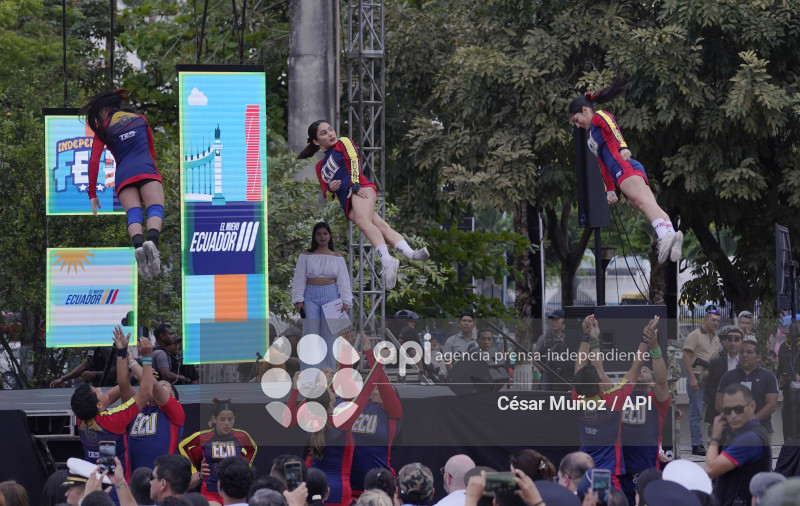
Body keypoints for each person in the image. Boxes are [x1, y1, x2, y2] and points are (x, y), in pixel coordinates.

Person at [297, 121, 429, 290]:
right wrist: (331, 189)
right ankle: (412, 254)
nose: (330, 134)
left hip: (360, 189)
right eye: (324, 133)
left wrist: (355, 184)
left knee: (364, 222)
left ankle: (387, 261)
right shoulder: (319, 167)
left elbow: (354, 159)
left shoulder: (343, 142)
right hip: (347, 202)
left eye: (330, 129)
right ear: (316, 141)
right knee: (380, 226)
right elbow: (328, 196)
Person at [567, 77, 682, 264]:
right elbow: (602, 163)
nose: (577, 125)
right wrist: (610, 189)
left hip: (624, 165)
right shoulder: (591, 136)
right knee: (644, 204)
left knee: (643, 202)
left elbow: (613, 128)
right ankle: (671, 233)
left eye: (576, 120)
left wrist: (622, 147)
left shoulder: (599, 117)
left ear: (585, 110)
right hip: (619, 170)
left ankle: (664, 235)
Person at [81, 90, 165, 281]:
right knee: (154, 208)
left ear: (104, 110)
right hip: (145, 168)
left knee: (134, 214)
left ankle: (138, 247)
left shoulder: (104, 129)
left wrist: (92, 193)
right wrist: (153, 175)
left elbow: (94, 162)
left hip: (124, 176)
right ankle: (152, 243)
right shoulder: (141, 120)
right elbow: (151, 152)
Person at [571, 315, 652, 488]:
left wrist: (588, 336)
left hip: (581, 473)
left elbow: (579, 364)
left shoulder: (576, 398)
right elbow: (636, 367)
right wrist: (645, 338)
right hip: (606, 475)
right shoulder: (614, 400)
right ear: (601, 386)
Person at [70, 327, 155, 478]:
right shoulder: (114, 420)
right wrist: (147, 358)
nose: (100, 389)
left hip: (94, 483)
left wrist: (122, 353)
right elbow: (146, 393)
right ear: (98, 405)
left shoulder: (81, 417)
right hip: (117, 487)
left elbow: (115, 393)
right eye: (97, 391)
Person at [619, 315, 670, 505]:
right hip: (620, 470)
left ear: (652, 382)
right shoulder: (619, 397)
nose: (641, 371)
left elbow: (663, 380)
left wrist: (654, 347)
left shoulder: (657, 401)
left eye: (646, 371)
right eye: (639, 370)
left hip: (647, 471)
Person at [291, 222, 353, 370]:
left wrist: (346, 301)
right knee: (310, 333)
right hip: (310, 297)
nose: (322, 237)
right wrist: (298, 300)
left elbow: (344, 281)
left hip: (331, 296)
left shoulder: (337, 257)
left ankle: (327, 372)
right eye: (318, 234)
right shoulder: (306, 255)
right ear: (314, 236)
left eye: (325, 233)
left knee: (330, 336)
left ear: (330, 235)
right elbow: (299, 278)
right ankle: (309, 372)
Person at [350, 337, 403, 500]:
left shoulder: (393, 413)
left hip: (378, 488)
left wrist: (371, 354)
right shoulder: (360, 406)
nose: (376, 389)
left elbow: (380, 380)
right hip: (349, 486)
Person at [179, 399, 257, 506]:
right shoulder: (203, 436)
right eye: (222, 419)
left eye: (230, 419)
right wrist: (194, 471)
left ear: (234, 419)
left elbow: (252, 449)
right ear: (214, 419)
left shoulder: (242, 436)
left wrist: (245, 467)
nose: (226, 423)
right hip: (210, 491)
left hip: (233, 493)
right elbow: (182, 445)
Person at [705, 384, 771, 506]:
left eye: (739, 409)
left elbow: (710, 470)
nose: (733, 415)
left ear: (752, 406)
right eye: (727, 411)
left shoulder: (748, 439)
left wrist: (714, 437)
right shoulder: (742, 433)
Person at [716, 339, 779, 439]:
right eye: (741, 352)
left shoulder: (768, 376)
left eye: (749, 352)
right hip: (732, 432)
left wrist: (751, 422)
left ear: (758, 357)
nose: (744, 355)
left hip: (760, 431)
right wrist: (733, 419)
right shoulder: (728, 376)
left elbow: (771, 405)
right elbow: (719, 403)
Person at [682, 305, 722, 456]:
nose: (715, 323)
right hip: (697, 379)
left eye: (718, 321)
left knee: (716, 409)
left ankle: (714, 442)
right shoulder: (695, 335)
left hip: (709, 380)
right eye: (713, 320)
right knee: (696, 413)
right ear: (705, 319)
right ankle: (696, 445)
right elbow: (686, 356)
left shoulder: (716, 338)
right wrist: (692, 378)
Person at [704, 326, 743, 431]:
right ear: (725, 341)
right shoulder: (716, 363)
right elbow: (708, 388)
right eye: (730, 339)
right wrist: (721, 399)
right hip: (718, 415)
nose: (733, 343)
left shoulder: (747, 362)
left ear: (742, 342)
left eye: (737, 339)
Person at [534, 309, 571, 391]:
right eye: (552, 320)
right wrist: (545, 370)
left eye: (556, 320)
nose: (553, 322)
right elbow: (534, 358)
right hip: (549, 381)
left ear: (564, 322)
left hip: (566, 379)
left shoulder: (570, 338)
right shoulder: (545, 338)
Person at [50, 346, 117, 388]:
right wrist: (63, 379)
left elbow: (116, 371)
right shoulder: (94, 346)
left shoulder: (107, 348)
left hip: (107, 389)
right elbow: (84, 366)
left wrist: (95, 374)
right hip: (94, 388)